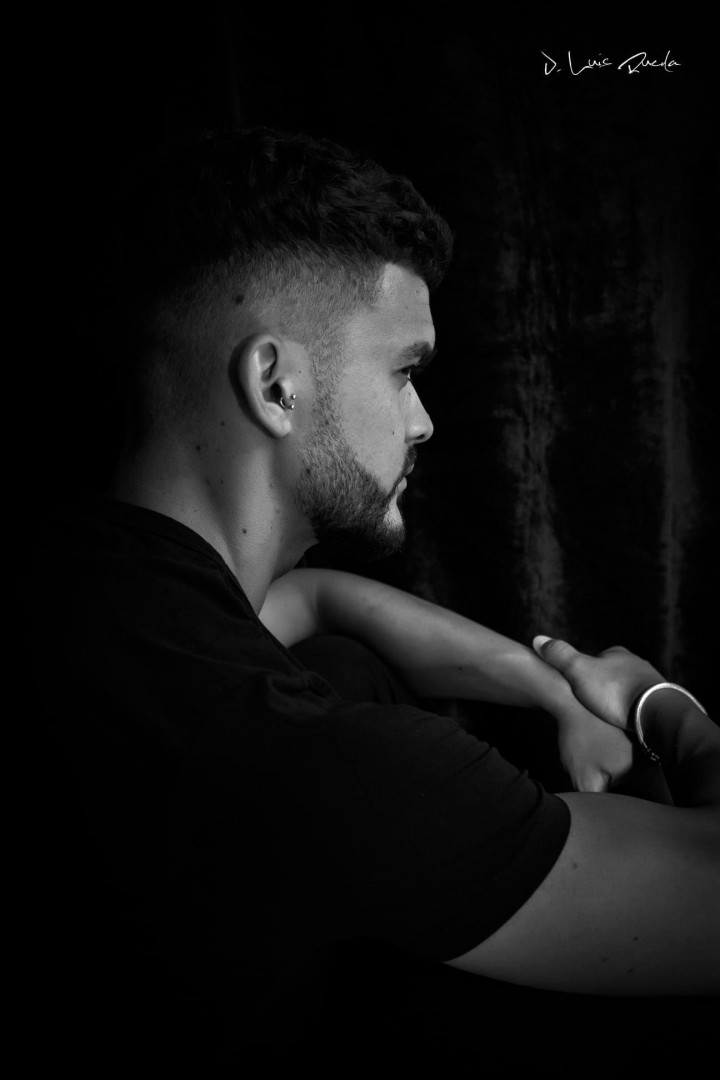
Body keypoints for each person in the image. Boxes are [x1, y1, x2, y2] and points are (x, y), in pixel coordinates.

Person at [35, 127, 718, 1071]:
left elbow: (313, 599)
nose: (423, 420)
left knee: (344, 657)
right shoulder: (310, 760)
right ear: (276, 386)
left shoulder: (101, 586)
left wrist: (550, 687)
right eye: (404, 371)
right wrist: (654, 702)